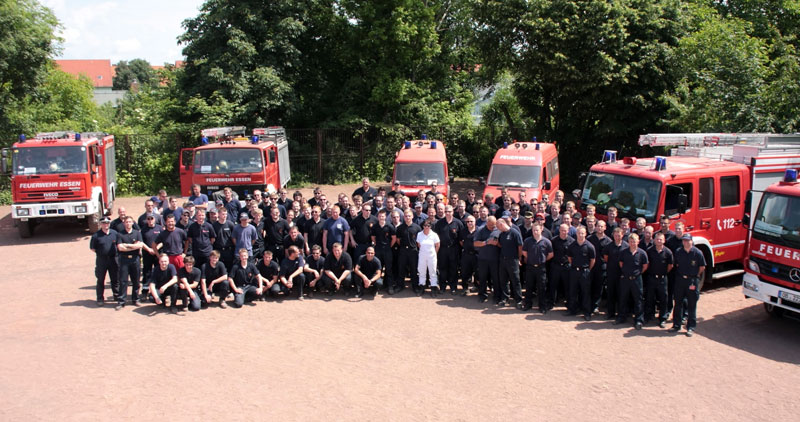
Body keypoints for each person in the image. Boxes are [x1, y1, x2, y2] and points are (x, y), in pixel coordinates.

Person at [670, 234, 705, 337]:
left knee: (692, 305)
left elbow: (702, 267)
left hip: (692, 281)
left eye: (687, 240)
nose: (685, 242)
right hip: (680, 280)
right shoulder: (678, 252)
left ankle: (691, 327)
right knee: (678, 303)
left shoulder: (697, 253)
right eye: (684, 241)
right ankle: (676, 325)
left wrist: (695, 276)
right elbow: (676, 264)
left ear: (691, 241)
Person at [615, 233, 648, 330]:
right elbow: (621, 263)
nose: (633, 243)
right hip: (625, 279)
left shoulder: (642, 253)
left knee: (638, 300)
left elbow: (645, 266)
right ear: (628, 242)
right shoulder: (624, 252)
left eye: (634, 241)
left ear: (638, 242)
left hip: (637, 279)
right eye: (631, 241)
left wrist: (637, 273)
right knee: (623, 298)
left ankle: (639, 320)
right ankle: (621, 317)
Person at [520, 222, 553, 312]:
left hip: (541, 267)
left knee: (542, 287)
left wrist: (542, 260)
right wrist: (531, 258)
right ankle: (528, 304)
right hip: (530, 267)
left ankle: (542, 306)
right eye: (533, 230)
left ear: (541, 229)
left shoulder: (546, 242)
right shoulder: (527, 241)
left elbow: (550, 254)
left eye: (537, 230)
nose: (535, 232)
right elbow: (524, 252)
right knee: (529, 287)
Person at [566, 226, 596, 320]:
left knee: (586, 293)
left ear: (585, 234)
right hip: (574, 271)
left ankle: (587, 313)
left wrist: (587, 269)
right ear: (576, 234)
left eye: (582, 233)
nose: (580, 235)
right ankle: (572, 310)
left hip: (585, 272)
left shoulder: (590, 246)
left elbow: (592, 260)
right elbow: (570, 258)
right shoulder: (572, 245)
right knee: (573, 291)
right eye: (579, 233)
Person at [434, 204, 464, 294]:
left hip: (454, 249)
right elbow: (436, 237)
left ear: (453, 212)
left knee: (453, 269)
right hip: (442, 249)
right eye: (446, 211)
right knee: (442, 268)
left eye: (449, 211)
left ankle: (453, 287)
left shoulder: (458, 223)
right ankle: (442, 287)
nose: (447, 213)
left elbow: (461, 238)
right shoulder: (439, 223)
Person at [646, 232, 673, 327]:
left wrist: (663, 273)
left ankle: (662, 318)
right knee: (649, 298)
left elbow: (670, 266)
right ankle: (648, 316)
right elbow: (647, 264)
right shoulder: (649, 251)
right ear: (654, 240)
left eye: (661, 239)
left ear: (664, 241)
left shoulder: (668, 252)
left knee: (663, 299)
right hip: (651, 278)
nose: (659, 241)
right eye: (657, 239)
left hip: (662, 279)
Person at [90, 216, 119, 307]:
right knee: (100, 279)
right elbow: (92, 248)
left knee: (115, 279)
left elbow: (119, 244)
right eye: (103, 223)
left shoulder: (115, 233)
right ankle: (100, 298)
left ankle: (116, 295)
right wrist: (102, 253)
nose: (105, 225)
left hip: (113, 259)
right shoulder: (96, 236)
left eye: (107, 223)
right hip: (102, 260)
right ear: (100, 224)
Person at [116, 216, 144, 310]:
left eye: (130, 222)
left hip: (135, 259)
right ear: (124, 223)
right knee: (123, 281)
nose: (128, 223)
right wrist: (133, 246)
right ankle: (121, 301)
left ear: (133, 223)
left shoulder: (137, 233)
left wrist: (127, 245)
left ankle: (135, 299)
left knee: (136, 280)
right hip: (124, 260)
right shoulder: (120, 234)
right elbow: (120, 247)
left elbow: (140, 245)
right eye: (126, 222)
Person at [496, 218, 523, 307]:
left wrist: (519, 258)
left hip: (513, 260)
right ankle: (505, 298)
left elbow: (520, 246)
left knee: (515, 280)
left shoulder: (515, 233)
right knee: (503, 280)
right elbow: (500, 244)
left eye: (497, 226)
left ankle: (518, 300)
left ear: (501, 225)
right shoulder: (502, 234)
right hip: (503, 260)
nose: (497, 228)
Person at [602, 227, 628, 320]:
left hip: (622, 274)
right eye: (615, 235)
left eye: (619, 235)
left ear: (622, 235)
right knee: (611, 294)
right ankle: (610, 313)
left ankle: (621, 314)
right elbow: (606, 257)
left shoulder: (626, 246)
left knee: (621, 294)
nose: (617, 237)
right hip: (611, 273)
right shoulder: (609, 245)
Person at [474, 216, 500, 303]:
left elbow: (502, 244)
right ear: (487, 223)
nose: (492, 228)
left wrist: (497, 244)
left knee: (496, 278)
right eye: (490, 226)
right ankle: (482, 295)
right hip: (483, 259)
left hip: (495, 259)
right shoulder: (480, 230)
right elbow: (475, 243)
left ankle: (497, 296)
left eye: (494, 226)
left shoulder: (498, 230)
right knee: (482, 278)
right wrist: (486, 242)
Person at [587, 220, 611, 314]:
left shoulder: (608, 241)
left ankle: (595, 306)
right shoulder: (590, 239)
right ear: (595, 227)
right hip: (590, 267)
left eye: (602, 226)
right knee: (588, 286)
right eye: (598, 226)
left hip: (602, 268)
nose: (600, 228)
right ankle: (586, 305)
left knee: (598, 287)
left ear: (605, 228)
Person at [549, 224, 574, 311]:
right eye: (562, 230)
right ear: (559, 230)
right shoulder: (553, 240)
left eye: (565, 230)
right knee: (553, 285)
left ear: (568, 230)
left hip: (567, 267)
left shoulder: (572, 241)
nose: (563, 232)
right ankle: (551, 302)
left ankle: (569, 304)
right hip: (555, 266)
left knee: (567, 286)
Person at [395, 210, 421, 294]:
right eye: (406, 216)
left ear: (412, 216)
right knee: (401, 269)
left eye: (409, 216)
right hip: (403, 250)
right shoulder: (400, 228)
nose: (407, 217)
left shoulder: (417, 228)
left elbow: (419, 241)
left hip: (413, 251)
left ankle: (415, 286)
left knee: (414, 269)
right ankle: (400, 285)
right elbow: (398, 240)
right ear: (404, 217)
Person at [371, 210, 395, 294]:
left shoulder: (390, 226)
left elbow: (394, 238)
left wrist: (388, 246)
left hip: (387, 250)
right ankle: (376, 287)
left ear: (385, 217)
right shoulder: (375, 226)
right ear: (378, 217)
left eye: (383, 216)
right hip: (378, 250)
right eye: (380, 216)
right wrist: (377, 245)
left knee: (388, 269)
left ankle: (389, 286)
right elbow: (373, 237)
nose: (381, 218)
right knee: (378, 268)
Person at [416, 220, 440, 297]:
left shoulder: (434, 235)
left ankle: (433, 288)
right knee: (421, 271)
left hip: (432, 256)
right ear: (423, 226)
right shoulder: (419, 234)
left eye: (428, 226)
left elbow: (437, 245)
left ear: (431, 226)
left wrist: (433, 254)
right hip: (422, 255)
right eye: (425, 225)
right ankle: (422, 287)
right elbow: (419, 244)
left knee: (432, 272)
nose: (426, 227)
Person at [459, 214, 479, 295]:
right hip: (466, 255)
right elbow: (460, 241)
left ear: (475, 222)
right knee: (465, 272)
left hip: (476, 255)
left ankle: (477, 287)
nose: (469, 223)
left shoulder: (479, 230)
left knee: (478, 272)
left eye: (471, 221)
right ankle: (465, 288)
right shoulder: (463, 231)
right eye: (468, 221)